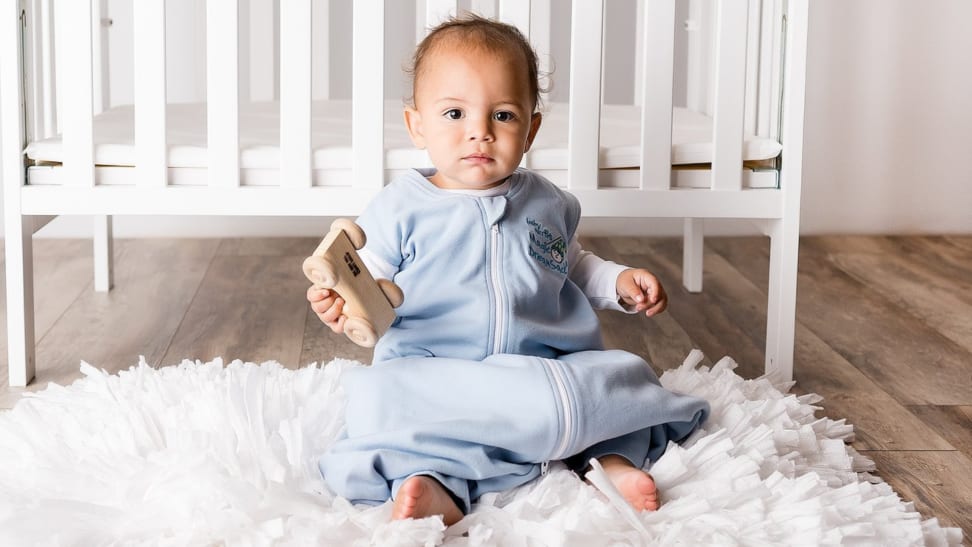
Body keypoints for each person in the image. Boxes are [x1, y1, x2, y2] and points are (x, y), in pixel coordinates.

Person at [307, 14, 709, 526]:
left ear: (531, 127)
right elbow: (367, 282)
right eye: (454, 113)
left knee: (621, 379)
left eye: (502, 115)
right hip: (443, 376)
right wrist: (341, 305)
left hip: (544, 366)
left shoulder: (546, 202)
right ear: (417, 126)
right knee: (385, 401)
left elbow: (575, 265)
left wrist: (620, 283)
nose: (479, 132)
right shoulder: (400, 207)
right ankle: (435, 485)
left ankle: (609, 461)